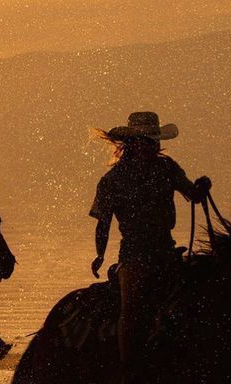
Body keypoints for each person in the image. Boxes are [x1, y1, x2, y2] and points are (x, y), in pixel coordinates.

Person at [89, 112, 210, 380]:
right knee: (130, 311)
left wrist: (201, 188)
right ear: (130, 144)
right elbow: (103, 223)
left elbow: (192, 195)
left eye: (152, 141)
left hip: (166, 251)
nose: (149, 146)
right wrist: (100, 254)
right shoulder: (113, 180)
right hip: (133, 256)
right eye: (144, 141)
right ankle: (128, 370)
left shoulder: (167, 168)